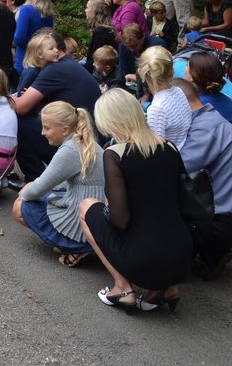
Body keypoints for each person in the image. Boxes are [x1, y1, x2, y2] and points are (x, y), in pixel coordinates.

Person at [78, 88, 193, 312]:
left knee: (87, 207)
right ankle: (165, 290)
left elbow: (120, 220)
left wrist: (105, 209)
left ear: (110, 121)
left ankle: (122, 288)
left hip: (144, 260)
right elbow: (182, 202)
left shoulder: (115, 153)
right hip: (182, 255)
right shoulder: (169, 147)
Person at [173, 79, 232, 279]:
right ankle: (211, 254)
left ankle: (194, 251)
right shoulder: (211, 119)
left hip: (219, 223)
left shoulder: (204, 129)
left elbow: (176, 167)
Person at [13, 101, 105, 267]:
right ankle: (77, 245)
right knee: (45, 195)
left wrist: (24, 191)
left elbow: (39, 188)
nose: (42, 133)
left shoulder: (70, 149)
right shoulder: (84, 141)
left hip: (82, 226)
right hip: (97, 215)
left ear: (65, 129)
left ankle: (75, 245)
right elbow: (59, 183)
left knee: (20, 206)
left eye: (47, 128)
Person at [13, 30, 101, 182]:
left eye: (53, 48)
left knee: (16, 123)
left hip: (80, 144)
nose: (53, 51)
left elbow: (20, 107)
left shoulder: (54, 69)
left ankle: (38, 180)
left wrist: (0, 95)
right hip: (90, 138)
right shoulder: (68, 65)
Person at [137, 45, 190, 147]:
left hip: (175, 158)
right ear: (172, 71)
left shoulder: (156, 109)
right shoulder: (179, 91)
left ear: (141, 73)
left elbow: (157, 149)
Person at [12, 0, 54, 77]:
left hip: (24, 59)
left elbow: (19, 39)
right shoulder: (47, 11)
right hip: (41, 58)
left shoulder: (27, 10)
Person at [185, 51, 232, 127]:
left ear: (193, 76)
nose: (184, 69)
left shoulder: (191, 104)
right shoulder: (229, 100)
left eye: (186, 66)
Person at [84, 0, 117, 67]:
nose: (85, 10)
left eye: (87, 7)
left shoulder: (101, 32)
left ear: (95, 11)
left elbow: (94, 62)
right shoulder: (104, 29)